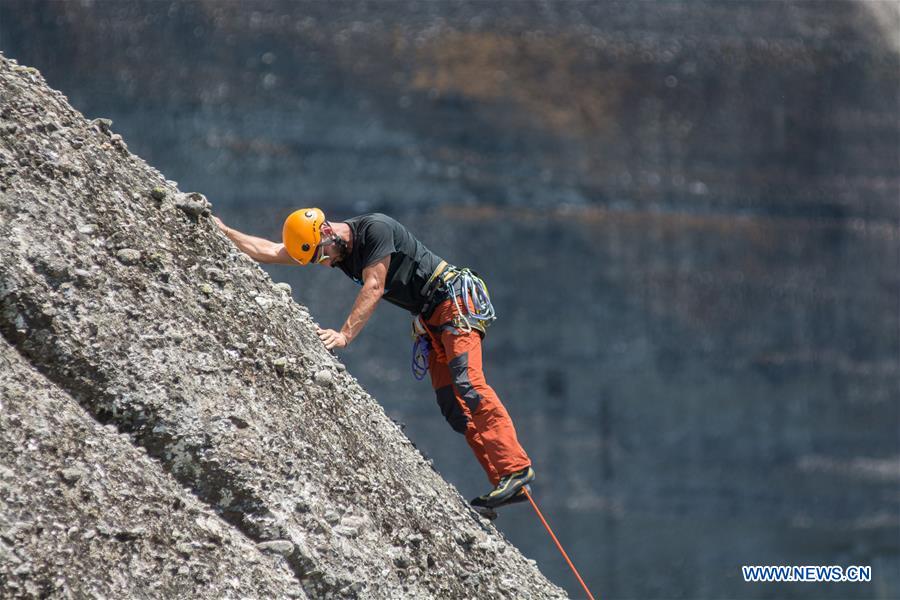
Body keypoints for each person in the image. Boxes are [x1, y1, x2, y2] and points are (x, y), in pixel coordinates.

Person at [213, 209, 533, 510]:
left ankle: (515, 469)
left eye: (323, 254)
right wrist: (224, 231)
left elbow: (375, 285)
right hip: (432, 318)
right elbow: (269, 249)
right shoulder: (327, 246)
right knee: (453, 406)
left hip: (453, 302)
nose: (325, 263)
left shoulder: (374, 230)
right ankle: (505, 481)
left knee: (468, 384)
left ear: (327, 231)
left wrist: (343, 335)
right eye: (316, 260)